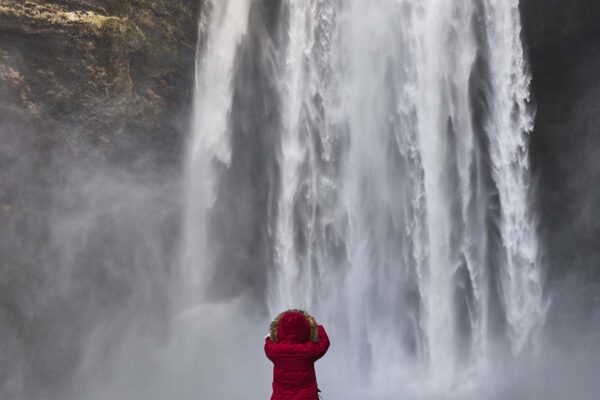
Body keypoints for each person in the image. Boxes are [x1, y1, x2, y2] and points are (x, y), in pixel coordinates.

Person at [264, 309, 330, 400]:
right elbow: (325, 342)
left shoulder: (273, 350)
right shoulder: (309, 350)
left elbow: (268, 343)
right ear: (305, 330)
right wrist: (317, 328)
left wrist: (270, 337)